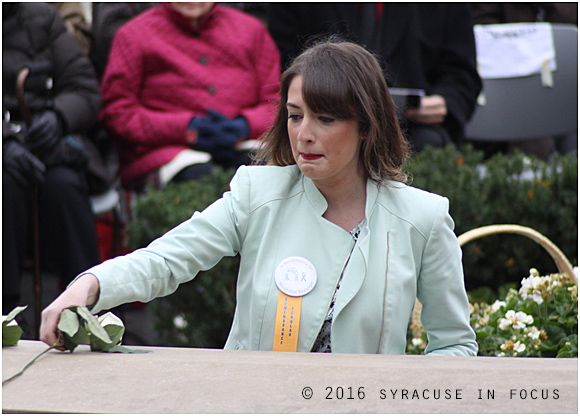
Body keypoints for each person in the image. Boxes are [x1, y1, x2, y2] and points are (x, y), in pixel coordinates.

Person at [41, 39, 477, 356]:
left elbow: (454, 345)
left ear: (367, 125)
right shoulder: (255, 192)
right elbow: (166, 260)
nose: (303, 134)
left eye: (324, 118)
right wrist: (88, 286)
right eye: (294, 115)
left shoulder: (424, 217)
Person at [99, 2, 280, 191]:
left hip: (244, 141)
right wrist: (186, 129)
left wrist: (245, 126)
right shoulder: (133, 35)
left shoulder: (251, 30)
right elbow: (117, 112)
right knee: (200, 183)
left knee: (266, 175)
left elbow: (277, 101)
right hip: (169, 152)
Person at [267, 3, 482, 152]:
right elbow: (285, 64)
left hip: (416, 131)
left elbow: (462, 72)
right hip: (322, 121)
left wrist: (444, 103)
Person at [3, 2, 101, 316]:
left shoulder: (42, 17)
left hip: (43, 142)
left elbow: (84, 89)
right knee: (6, 186)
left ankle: (87, 310)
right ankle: (7, 315)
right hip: (6, 149)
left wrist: (59, 115)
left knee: (65, 186)